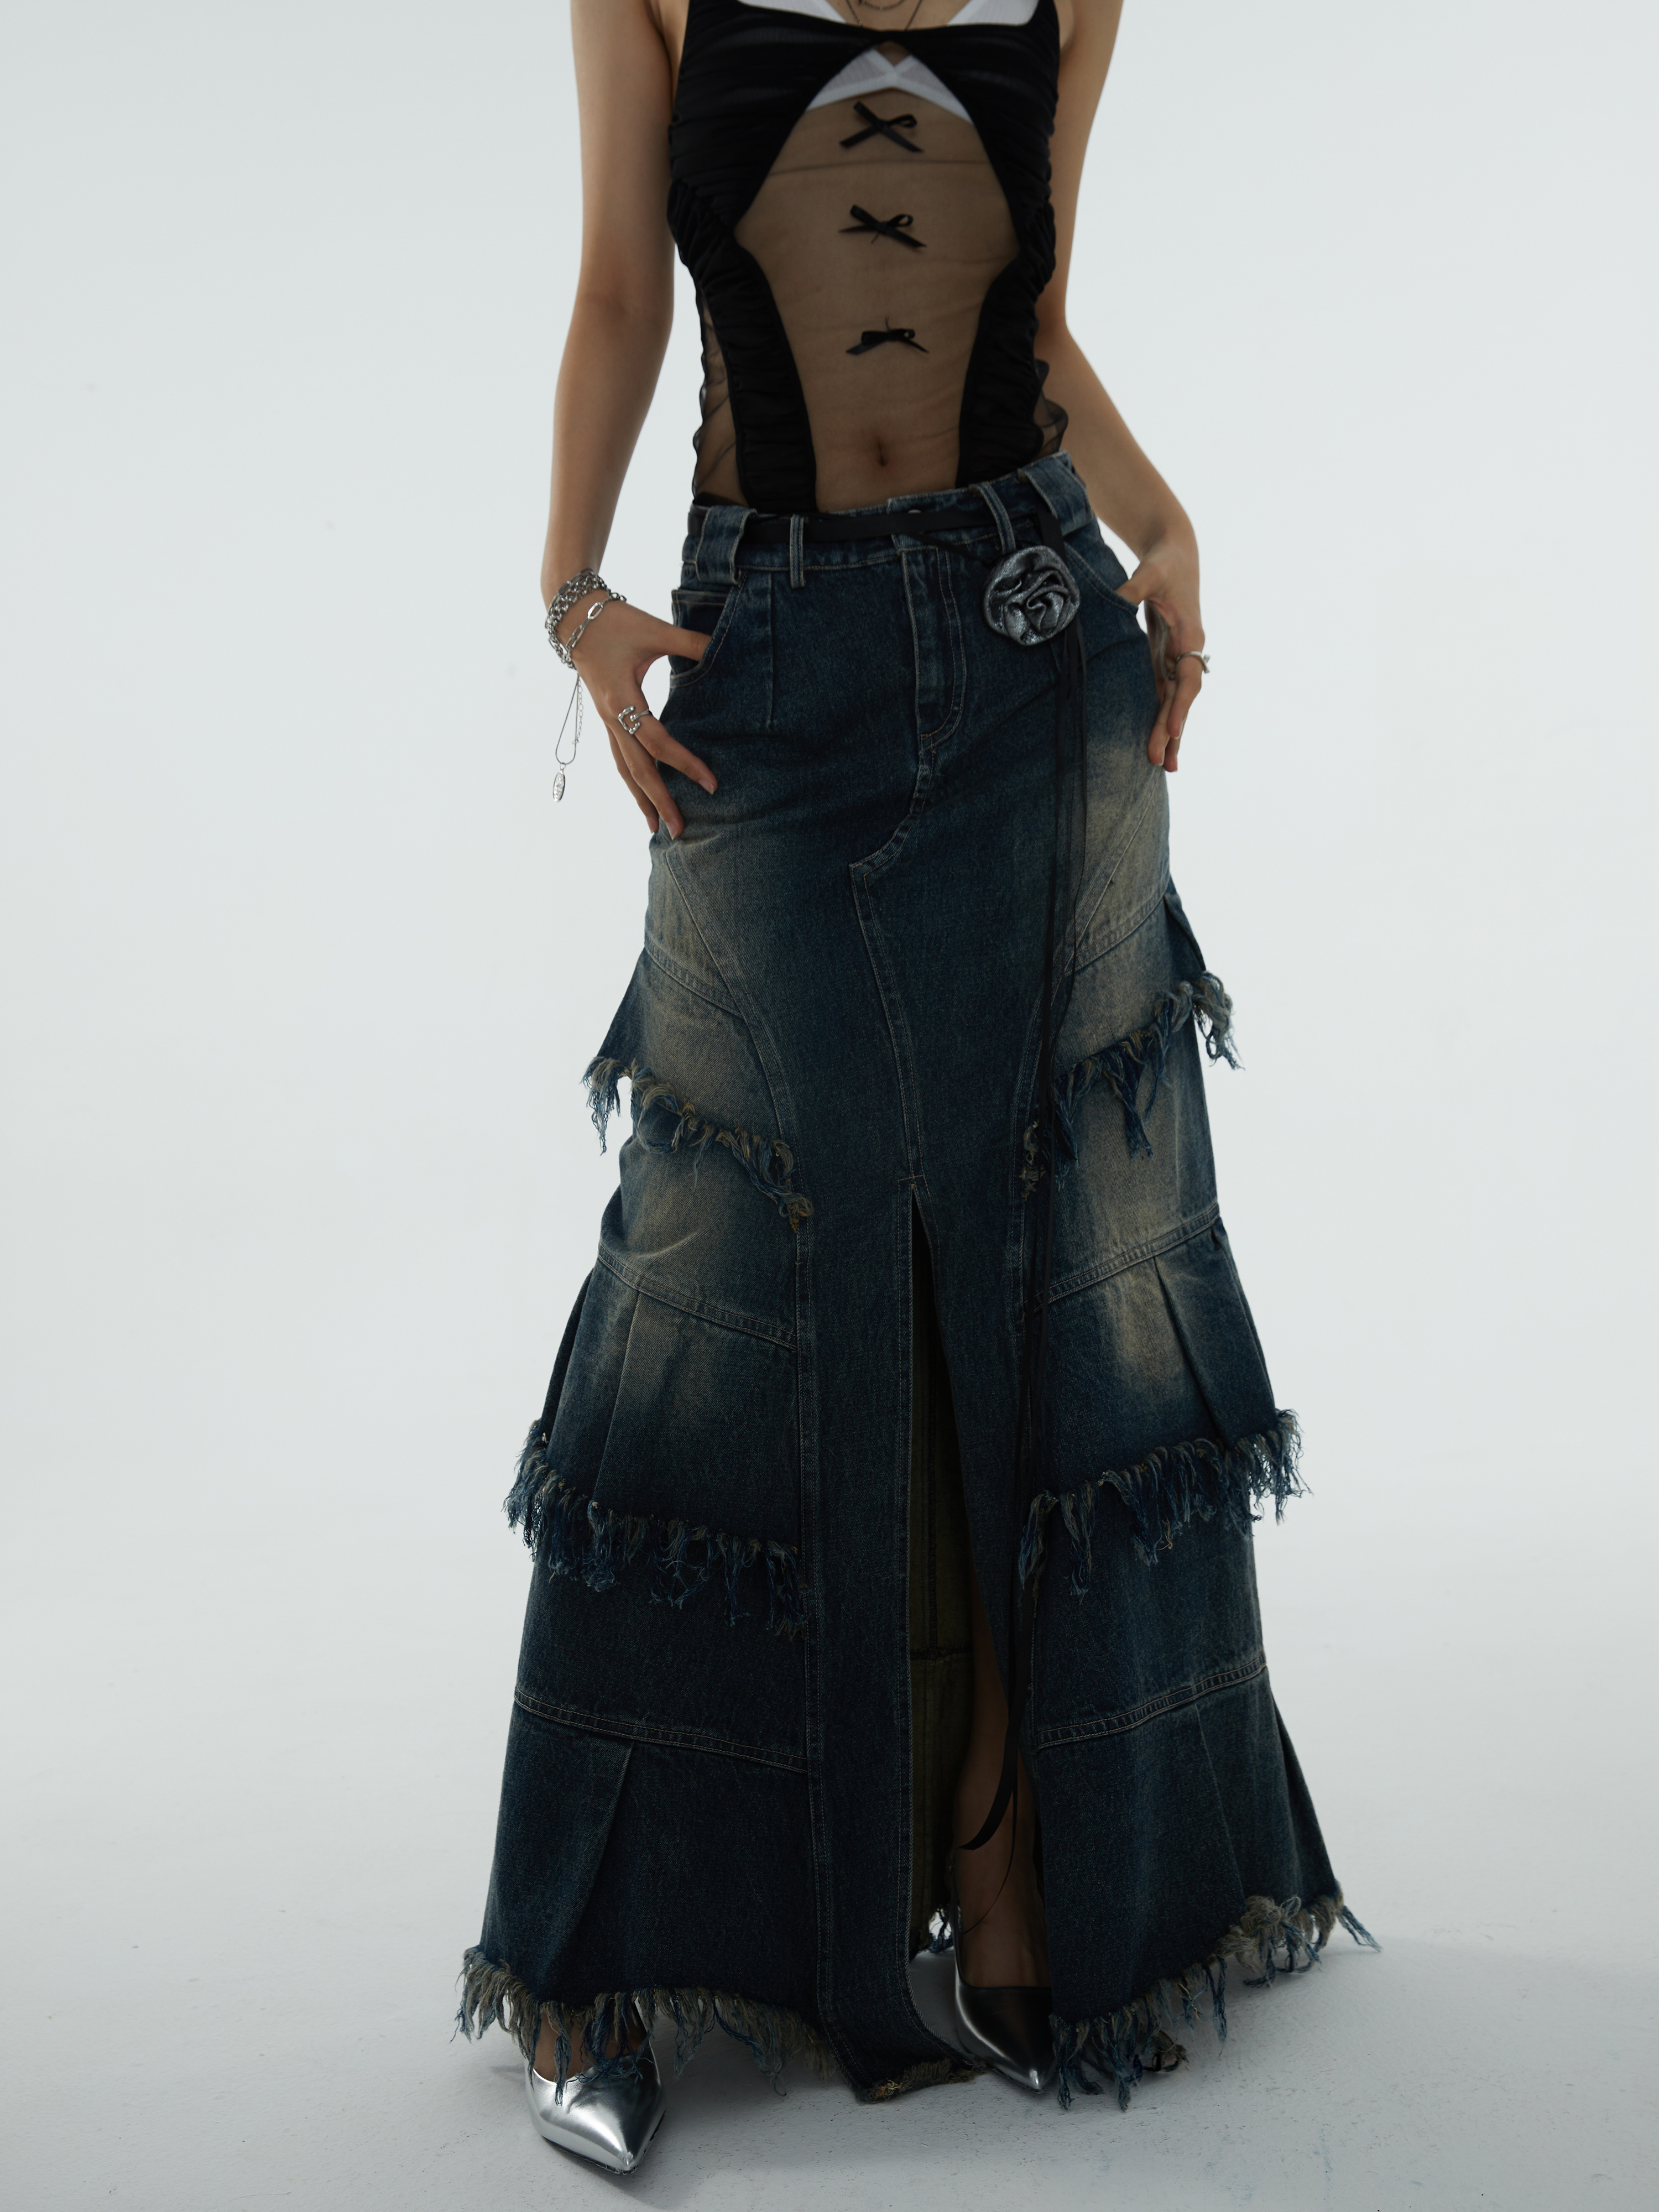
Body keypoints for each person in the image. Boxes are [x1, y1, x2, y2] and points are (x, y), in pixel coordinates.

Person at [457, 0, 1374, 2174]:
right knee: (713, 1265)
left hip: (1039, 632)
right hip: (761, 659)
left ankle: (1020, 1861)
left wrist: (1169, 526)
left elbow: (1030, 315)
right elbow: (617, 293)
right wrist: (573, 595)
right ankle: (634, 1949)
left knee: (1071, 1241)